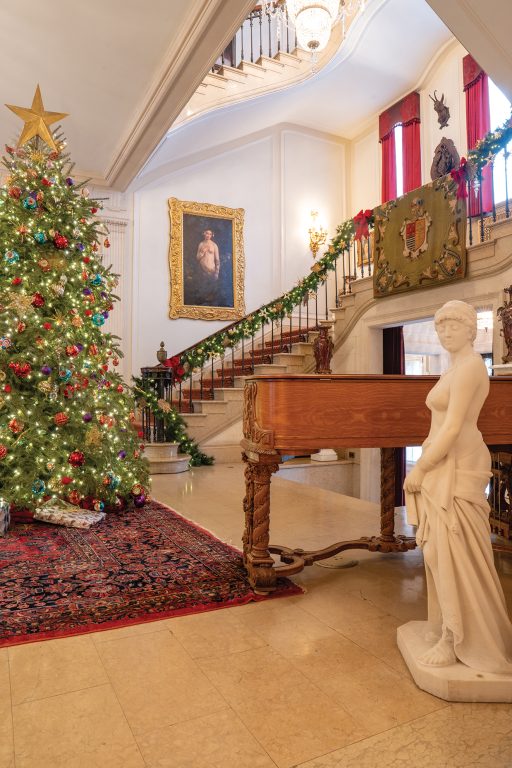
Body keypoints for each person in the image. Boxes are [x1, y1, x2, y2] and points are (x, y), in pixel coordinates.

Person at [403, 300, 512, 673]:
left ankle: (455, 639)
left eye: (453, 325)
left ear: (471, 330)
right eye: (440, 327)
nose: (445, 332)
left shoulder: (469, 369)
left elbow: (452, 427)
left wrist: (422, 467)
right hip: (445, 462)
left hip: (459, 464)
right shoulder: (455, 368)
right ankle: (446, 626)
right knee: (439, 553)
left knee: (452, 554)